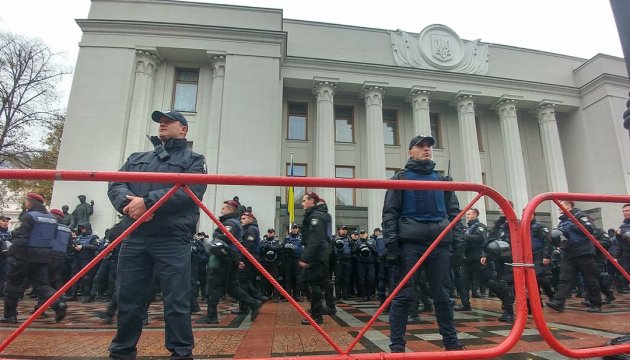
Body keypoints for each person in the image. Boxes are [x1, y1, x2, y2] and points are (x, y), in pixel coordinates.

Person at [107, 110, 207, 359]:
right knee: (128, 298)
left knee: (176, 301)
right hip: (136, 235)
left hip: (172, 239)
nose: (162, 124)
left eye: (169, 121)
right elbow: (116, 183)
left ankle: (181, 352)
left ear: (183, 129)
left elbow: (190, 191)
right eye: (160, 121)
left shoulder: (194, 160)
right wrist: (128, 206)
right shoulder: (136, 157)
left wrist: (148, 203)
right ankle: (122, 351)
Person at [381, 135, 465, 352]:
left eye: (428, 146)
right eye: (421, 146)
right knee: (403, 295)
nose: (426, 149)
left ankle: (451, 343)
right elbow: (389, 214)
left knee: (443, 296)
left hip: (440, 244)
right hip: (410, 244)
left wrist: (458, 244)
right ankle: (397, 346)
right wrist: (391, 246)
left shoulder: (443, 180)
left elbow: (455, 214)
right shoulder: (399, 179)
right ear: (411, 152)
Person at [0, 193, 67, 324]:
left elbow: (21, 237)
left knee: (12, 285)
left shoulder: (29, 216)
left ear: (30, 202)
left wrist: (9, 252)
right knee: (42, 285)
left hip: (23, 255)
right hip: (43, 257)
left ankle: (10, 315)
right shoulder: (52, 219)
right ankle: (58, 304)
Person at [197, 200, 263, 325]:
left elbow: (225, 239)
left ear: (231, 210)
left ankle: (211, 315)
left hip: (222, 258)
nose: (222, 210)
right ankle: (253, 303)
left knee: (213, 285)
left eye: (224, 208)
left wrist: (210, 242)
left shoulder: (230, 223)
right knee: (231, 287)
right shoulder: (235, 223)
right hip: (231, 258)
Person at [546, 200, 603, 313]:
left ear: (569, 205)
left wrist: (573, 226)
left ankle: (595, 303)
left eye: (561, 206)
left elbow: (590, 229)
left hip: (583, 252)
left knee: (590, 278)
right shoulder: (562, 222)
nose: (559, 209)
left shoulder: (580, 216)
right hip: (568, 253)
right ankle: (559, 302)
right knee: (564, 278)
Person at [298, 191, 330, 325]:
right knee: (310, 283)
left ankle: (317, 315)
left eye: (305, 200)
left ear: (312, 201)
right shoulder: (314, 215)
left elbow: (314, 238)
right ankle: (318, 309)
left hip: (315, 255)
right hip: (316, 254)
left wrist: (306, 258)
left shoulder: (316, 216)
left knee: (312, 284)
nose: (302, 203)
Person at [0, 215, 12, 297]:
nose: (6, 223)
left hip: (5, 257)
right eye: (3, 221)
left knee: (4, 276)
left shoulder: (9, 233)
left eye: (7, 221)